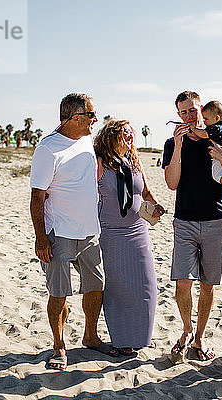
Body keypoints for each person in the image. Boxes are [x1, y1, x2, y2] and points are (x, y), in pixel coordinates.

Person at [29, 93, 110, 371]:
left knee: (95, 286)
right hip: (59, 234)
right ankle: (58, 345)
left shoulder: (87, 140)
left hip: (90, 233)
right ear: (75, 118)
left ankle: (90, 335)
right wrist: (41, 238)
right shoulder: (48, 149)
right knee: (59, 293)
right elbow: (37, 197)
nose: (95, 120)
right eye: (91, 115)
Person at [162, 90, 222, 363]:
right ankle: (185, 331)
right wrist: (178, 147)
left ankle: (199, 336)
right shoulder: (171, 143)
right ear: (178, 115)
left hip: (215, 220)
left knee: (208, 286)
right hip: (183, 220)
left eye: (192, 111)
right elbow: (172, 183)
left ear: (202, 110)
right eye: (183, 112)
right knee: (183, 282)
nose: (188, 116)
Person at [94, 119, 165, 356]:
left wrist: (155, 205)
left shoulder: (134, 161)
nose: (130, 137)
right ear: (112, 136)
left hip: (138, 231)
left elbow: (144, 191)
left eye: (131, 133)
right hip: (111, 232)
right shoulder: (100, 162)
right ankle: (122, 340)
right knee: (119, 287)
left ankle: (142, 336)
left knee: (147, 285)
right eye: (125, 133)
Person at [188, 100, 222, 189]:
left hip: (221, 155)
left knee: (217, 175)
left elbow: (204, 134)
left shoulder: (215, 128)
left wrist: (193, 129)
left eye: (206, 119)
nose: (204, 122)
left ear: (217, 118)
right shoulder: (221, 128)